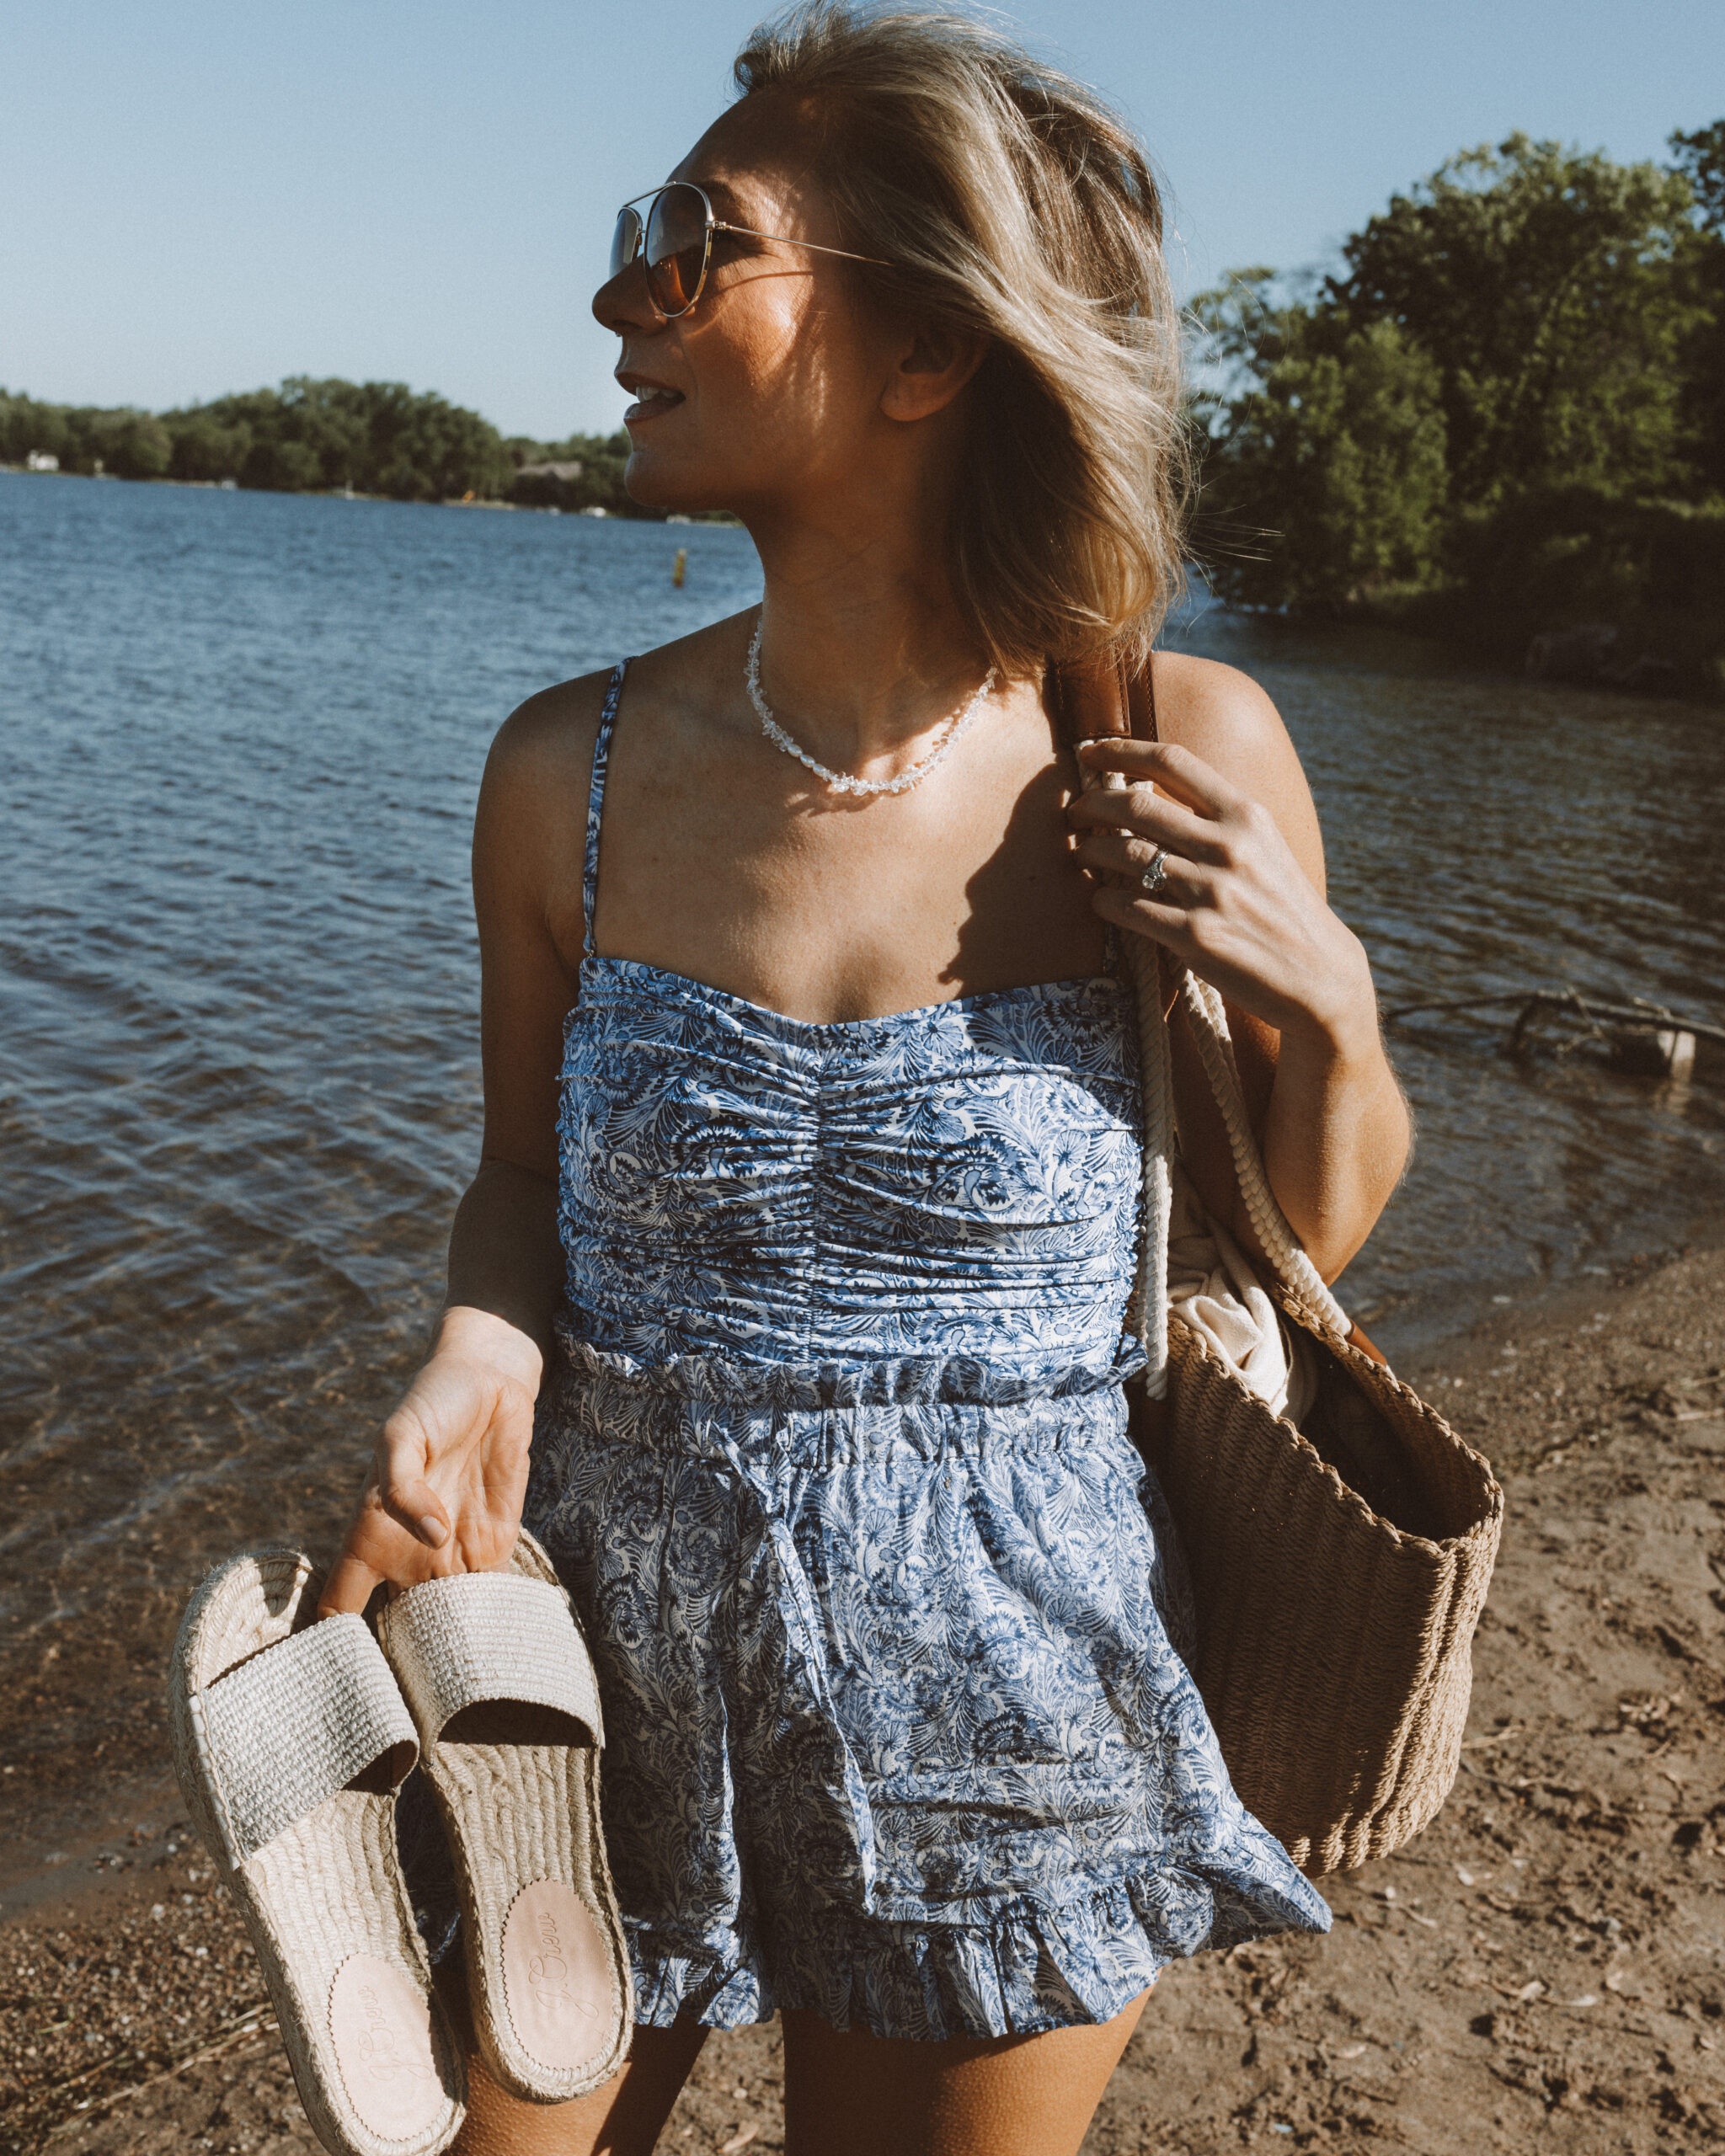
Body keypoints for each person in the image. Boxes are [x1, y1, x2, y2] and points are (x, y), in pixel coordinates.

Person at [322, 7, 1412, 2151]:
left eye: (693, 239)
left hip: (1019, 1675)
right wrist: (478, 1333)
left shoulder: (1169, 749)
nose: (621, 289)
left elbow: (1298, 1249)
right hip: (590, 1648)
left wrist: (1335, 1005)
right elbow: (520, 1178)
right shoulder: (571, 771)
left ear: (923, 350)